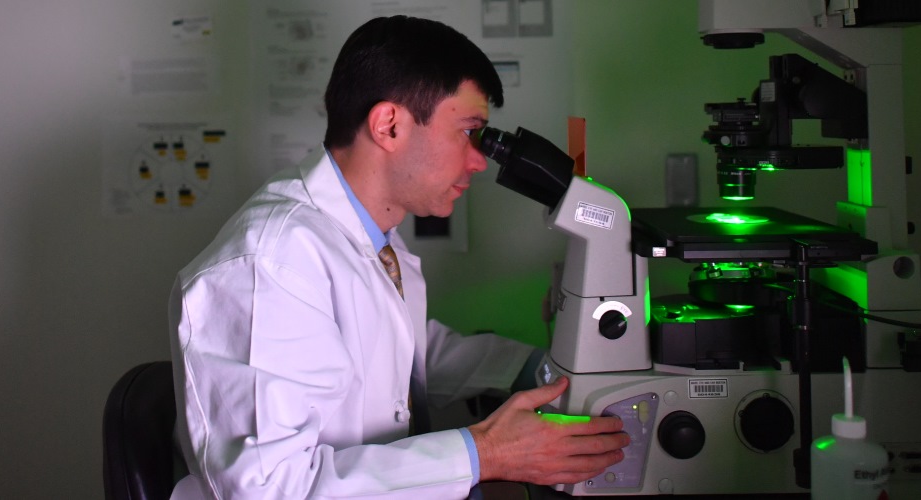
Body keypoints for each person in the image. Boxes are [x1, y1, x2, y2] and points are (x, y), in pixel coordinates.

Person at [167, 15, 629, 499]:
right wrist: (484, 453)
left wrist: (539, 370)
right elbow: (271, 488)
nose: (477, 160)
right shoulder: (270, 264)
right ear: (389, 125)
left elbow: (400, 349)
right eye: (469, 132)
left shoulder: (365, 234)